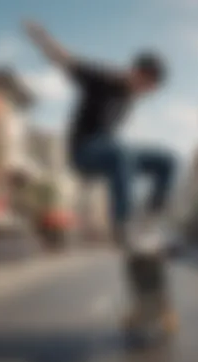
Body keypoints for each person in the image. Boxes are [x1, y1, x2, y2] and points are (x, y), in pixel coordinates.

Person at [24, 21, 176, 251]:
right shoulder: (101, 78)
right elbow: (67, 61)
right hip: (83, 154)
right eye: (145, 85)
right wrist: (42, 38)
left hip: (109, 153)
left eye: (148, 91)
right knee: (121, 151)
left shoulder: (130, 97)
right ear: (137, 72)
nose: (143, 93)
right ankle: (123, 226)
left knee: (167, 161)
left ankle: (148, 224)